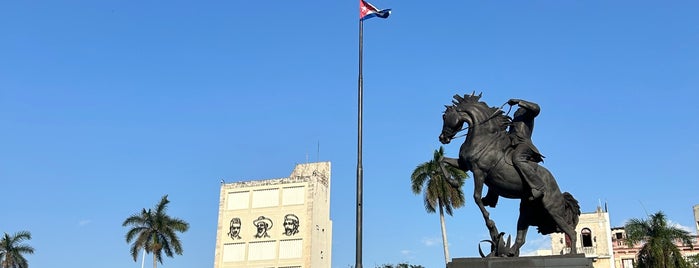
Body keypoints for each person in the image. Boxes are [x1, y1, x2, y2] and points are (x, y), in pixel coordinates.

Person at [507, 98, 545, 200]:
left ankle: (538, 186)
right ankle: (492, 197)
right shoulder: (515, 121)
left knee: (517, 159)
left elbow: (536, 108)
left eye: (519, 110)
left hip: (524, 144)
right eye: (516, 113)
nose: (517, 112)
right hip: (513, 144)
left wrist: (518, 102)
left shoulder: (528, 114)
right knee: (495, 159)